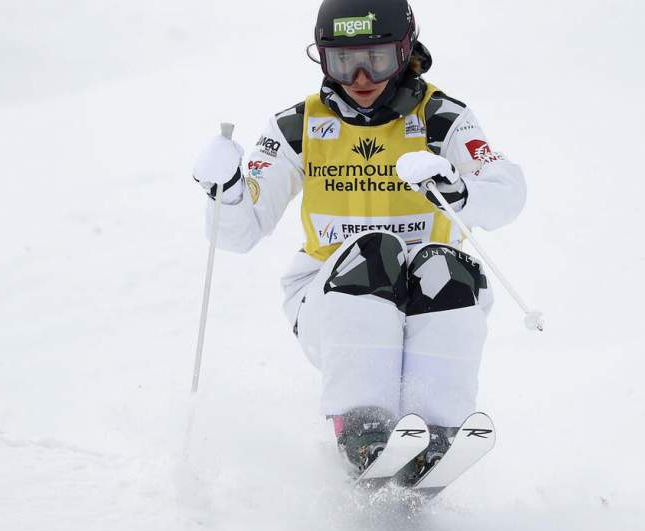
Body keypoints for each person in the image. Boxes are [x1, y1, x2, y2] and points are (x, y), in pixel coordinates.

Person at [191, 0, 526, 479]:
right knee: (376, 251)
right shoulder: (297, 127)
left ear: (405, 50)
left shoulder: (441, 118)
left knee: (446, 267)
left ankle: (437, 429)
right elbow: (240, 232)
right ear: (323, 59)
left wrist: (457, 188)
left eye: (378, 59)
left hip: (420, 301)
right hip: (329, 302)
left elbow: (508, 192)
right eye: (343, 62)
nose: (361, 78)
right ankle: (362, 425)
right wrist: (225, 191)